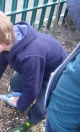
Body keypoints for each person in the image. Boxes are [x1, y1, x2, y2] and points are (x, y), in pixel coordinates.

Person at [0, 10, 68, 132]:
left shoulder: (29, 56)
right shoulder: (8, 39)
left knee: (41, 106)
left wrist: (21, 103)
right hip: (38, 67)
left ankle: (29, 123)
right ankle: (22, 99)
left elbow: (32, 89)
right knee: (16, 82)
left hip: (54, 74)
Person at [45, 0, 80, 132]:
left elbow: (32, 82)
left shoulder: (30, 56)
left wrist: (23, 103)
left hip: (64, 127)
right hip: (58, 119)